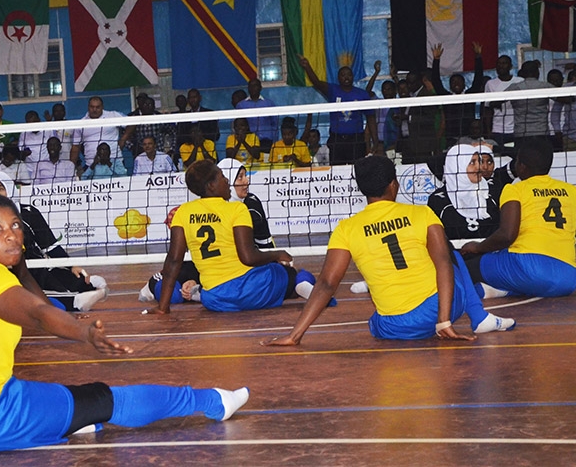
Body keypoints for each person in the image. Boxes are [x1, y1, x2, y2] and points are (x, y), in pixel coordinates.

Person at [0, 192, 249, 453]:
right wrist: (83, 332)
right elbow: (36, 313)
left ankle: (69, 421)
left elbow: (31, 301)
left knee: (61, 398)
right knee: (104, 399)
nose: (12, 236)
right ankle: (213, 401)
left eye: (15, 225)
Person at [261, 155, 515, 347]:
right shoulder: (422, 214)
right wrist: (444, 321)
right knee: (451, 254)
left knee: (375, 322)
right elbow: (444, 265)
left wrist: (295, 335)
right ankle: (478, 317)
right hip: (435, 312)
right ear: (394, 185)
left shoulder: (346, 229)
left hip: (394, 326)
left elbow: (327, 283)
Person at [147, 160, 314, 314]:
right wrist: (277, 254)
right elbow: (248, 257)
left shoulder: (182, 212)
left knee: (204, 285)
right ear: (211, 185)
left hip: (215, 299)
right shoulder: (237, 209)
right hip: (250, 289)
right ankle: (306, 288)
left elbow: (174, 260)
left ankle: (197, 292)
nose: (227, 181)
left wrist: (163, 307)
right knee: (291, 273)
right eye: (222, 177)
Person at [461, 138, 576, 298]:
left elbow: (507, 235)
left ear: (521, 166)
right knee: (522, 277)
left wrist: (477, 247)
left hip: (527, 267)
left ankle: (489, 290)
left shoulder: (515, 190)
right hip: (567, 279)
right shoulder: (574, 192)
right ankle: (498, 290)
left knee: (465, 268)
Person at [0, 172, 109, 312]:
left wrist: (71, 265)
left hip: (35, 264)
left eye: (1, 188)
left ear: (10, 189)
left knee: (69, 278)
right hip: (7, 270)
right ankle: (74, 302)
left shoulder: (28, 212)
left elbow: (49, 245)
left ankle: (86, 289)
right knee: (36, 292)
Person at [297, 56, 378, 164]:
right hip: (337, 140)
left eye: (349, 74)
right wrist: (307, 67)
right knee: (337, 172)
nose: (346, 77)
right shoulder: (332, 90)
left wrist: (375, 140)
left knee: (358, 169)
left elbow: (371, 118)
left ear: (353, 77)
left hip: (356, 140)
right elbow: (316, 82)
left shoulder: (362, 94)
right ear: (338, 78)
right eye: (343, 75)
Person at [427, 144, 499, 240]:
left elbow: (523, 156)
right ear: (457, 166)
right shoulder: (438, 200)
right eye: (472, 162)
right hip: (456, 253)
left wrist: (495, 148)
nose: (479, 167)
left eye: (479, 161)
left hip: (495, 251)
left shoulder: (494, 188)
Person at [70, 96, 134, 173]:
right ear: (88, 107)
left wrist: (123, 139)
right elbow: (75, 148)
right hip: (92, 165)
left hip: (115, 162)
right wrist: (71, 169)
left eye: (97, 107)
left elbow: (132, 123)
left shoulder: (113, 115)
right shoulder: (81, 124)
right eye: (92, 107)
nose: (94, 110)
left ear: (102, 107)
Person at [505, 60, 555, 151]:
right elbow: (567, 98)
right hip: (541, 132)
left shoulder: (515, 88)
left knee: (522, 161)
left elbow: (495, 101)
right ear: (537, 72)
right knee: (541, 161)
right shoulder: (545, 86)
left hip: (521, 133)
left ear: (523, 73)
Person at [236, 78, 278, 152]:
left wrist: (275, 142)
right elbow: (237, 124)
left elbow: (274, 124)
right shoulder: (241, 105)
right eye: (250, 86)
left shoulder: (269, 104)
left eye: (255, 86)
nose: (253, 88)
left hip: (266, 141)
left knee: (266, 162)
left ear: (260, 88)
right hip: (249, 142)